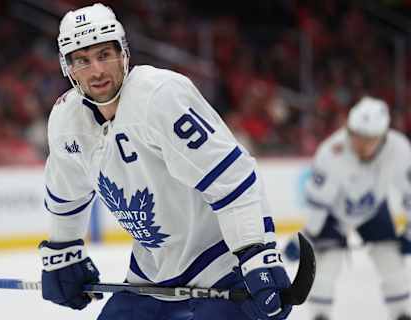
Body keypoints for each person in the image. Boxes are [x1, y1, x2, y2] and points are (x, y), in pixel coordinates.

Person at [39, 3, 294, 320]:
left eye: (105, 55)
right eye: (83, 61)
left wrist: (257, 254)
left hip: (221, 263)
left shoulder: (160, 96)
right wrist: (63, 252)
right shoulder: (66, 120)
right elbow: (66, 194)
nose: (97, 71)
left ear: (124, 53)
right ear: (68, 68)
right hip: (151, 272)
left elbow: (232, 179)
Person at [284, 96, 411, 320]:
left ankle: (401, 314)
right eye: (355, 135)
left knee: (391, 262)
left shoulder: (399, 149)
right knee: (325, 270)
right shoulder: (332, 151)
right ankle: (320, 316)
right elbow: (318, 204)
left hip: (373, 209)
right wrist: (303, 239)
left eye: (368, 139)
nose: (359, 144)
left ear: (382, 136)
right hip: (333, 214)